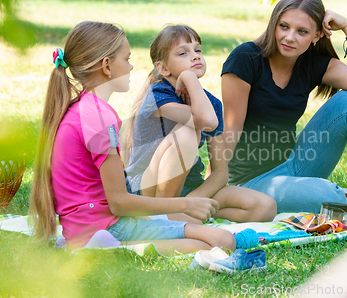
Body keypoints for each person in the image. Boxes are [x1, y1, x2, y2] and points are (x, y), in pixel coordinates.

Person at [29, 21, 236, 254]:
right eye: (126, 59)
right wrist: (187, 204)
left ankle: (117, 246)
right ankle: (111, 247)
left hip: (91, 226)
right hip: (106, 228)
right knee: (220, 241)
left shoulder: (83, 108)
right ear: (107, 65)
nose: (131, 67)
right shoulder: (99, 116)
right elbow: (119, 202)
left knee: (215, 239)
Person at [220, 0, 347, 213]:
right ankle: (341, 197)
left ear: (317, 36)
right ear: (274, 24)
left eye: (302, 31)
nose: (289, 37)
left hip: (296, 164)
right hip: (251, 182)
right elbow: (230, 130)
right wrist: (214, 188)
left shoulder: (311, 63)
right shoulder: (245, 59)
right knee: (326, 196)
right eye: (284, 26)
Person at [122, 24, 276, 224]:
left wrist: (190, 202)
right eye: (183, 53)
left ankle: (180, 215)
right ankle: (164, 215)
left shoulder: (212, 104)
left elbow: (220, 173)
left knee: (265, 207)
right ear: (163, 68)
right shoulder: (158, 95)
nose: (195, 56)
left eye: (198, 50)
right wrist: (188, 77)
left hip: (189, 189)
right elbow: (205, 121)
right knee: (187, 132)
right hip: (147, 191)